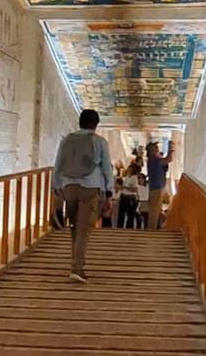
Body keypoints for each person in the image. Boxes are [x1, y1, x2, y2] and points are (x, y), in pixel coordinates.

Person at [52, 108, 113, 281]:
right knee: (83, 228)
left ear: (80, 122)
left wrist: (56, 188)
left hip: (68, 186)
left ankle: (75, 263)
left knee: (75, 226)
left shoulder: (66, 140)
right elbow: (107, 169)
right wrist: (109, 193)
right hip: (90, 187)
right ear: (96, 124)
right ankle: (77, 269)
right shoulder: (99, 141)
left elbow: (58, 165)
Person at [146, 138, 174, 230]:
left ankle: (155, 227)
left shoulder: (153, 159)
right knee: (154, 210)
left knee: (157, 209)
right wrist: (170, 150)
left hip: (157, 187)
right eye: (155, 147)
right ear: (152, 150)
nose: (157, 148)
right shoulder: (155, 160)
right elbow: (169, 159)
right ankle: (151, 229)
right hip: (157, 187)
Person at [118, 161, 140, 228]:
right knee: (121, 213)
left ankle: (129, 227)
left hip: (130, 197)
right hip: (123, 196)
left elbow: (135, 189)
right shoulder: (126, 177)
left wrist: (125, 187)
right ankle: (120, 227)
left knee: (130, 214)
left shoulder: (134, 178)